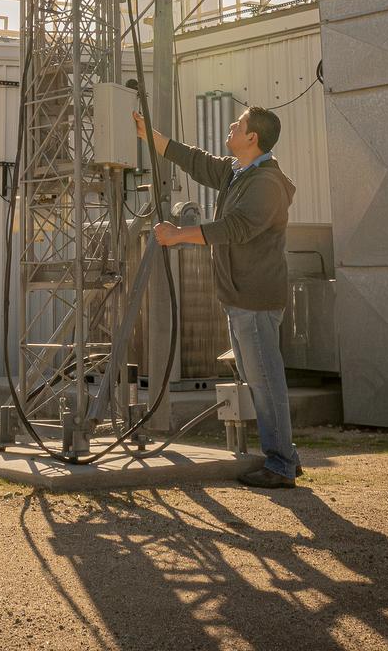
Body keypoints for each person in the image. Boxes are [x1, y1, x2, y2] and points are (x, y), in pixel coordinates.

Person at [134, 101, 301, 489]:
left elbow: (237, 227)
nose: (231, 125)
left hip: (254, 299)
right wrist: (150, 136)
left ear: (252, 138)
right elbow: (197, 161)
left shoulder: (266, 184)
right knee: (256, 377)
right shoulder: (238, 172)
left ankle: (280, 464)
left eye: (238, 124)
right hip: (238, 296)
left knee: (265, 382)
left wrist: (179, 236)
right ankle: (286, 456)